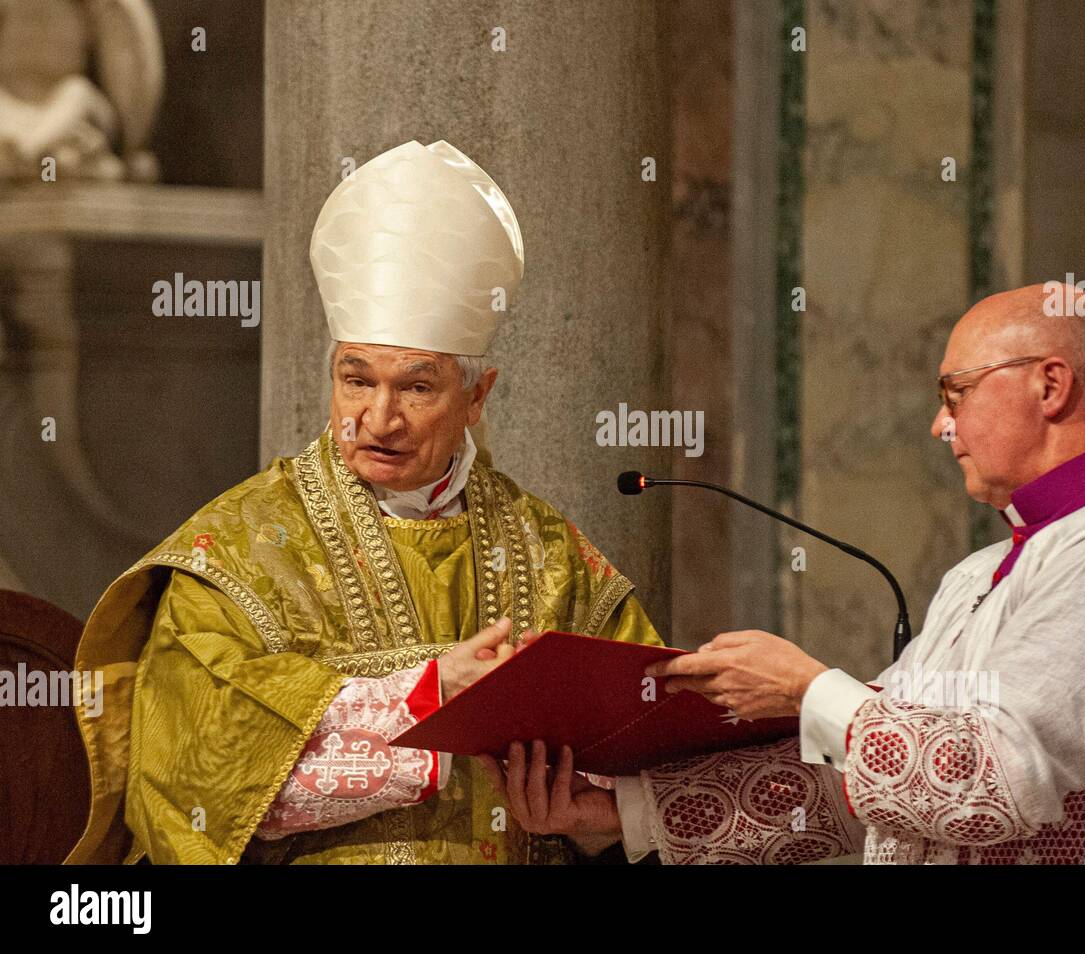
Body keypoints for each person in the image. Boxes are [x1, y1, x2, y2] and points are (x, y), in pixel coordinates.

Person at [485, 284, 1085, 865]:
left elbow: (995, 780)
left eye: (957, 391)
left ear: (1051, 385)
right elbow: (866, 786)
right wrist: (620, 812)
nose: (940, 423)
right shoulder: (982, 573)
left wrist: (810, 690)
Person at [65, 139, 662, 865]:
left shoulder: (552, 557)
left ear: (477, 395)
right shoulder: (234, 552)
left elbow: (653, 751)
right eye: (356, 380)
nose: (377, 419)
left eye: (415, 387)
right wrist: (427, 698)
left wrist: (591, 818)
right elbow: (188, 783)